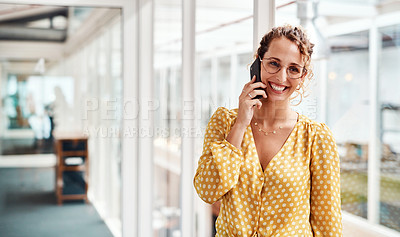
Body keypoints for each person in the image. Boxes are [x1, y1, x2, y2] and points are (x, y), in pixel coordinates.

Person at [193, 25, 342, 237]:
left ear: (302, 77)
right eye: (274, 64)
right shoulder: (224, 122)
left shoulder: (316, 138)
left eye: (293, 69)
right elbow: (208, 191)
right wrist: (241, 124)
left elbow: (327, 223)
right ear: (258, 62)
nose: (281, 78)